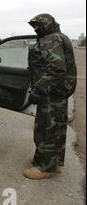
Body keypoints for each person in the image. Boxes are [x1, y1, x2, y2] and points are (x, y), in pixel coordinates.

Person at [25, 13, 77, 179]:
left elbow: (56, 68)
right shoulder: (60, 37)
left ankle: (44, 167)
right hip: (59, 92)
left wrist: (38, 89)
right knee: (57, 128)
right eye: (34, 26)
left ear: (47, 25)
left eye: (38, 26)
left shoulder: (50, 39)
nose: (36, 29)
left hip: (51, 93)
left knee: (46, 128)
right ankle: (55, 163)